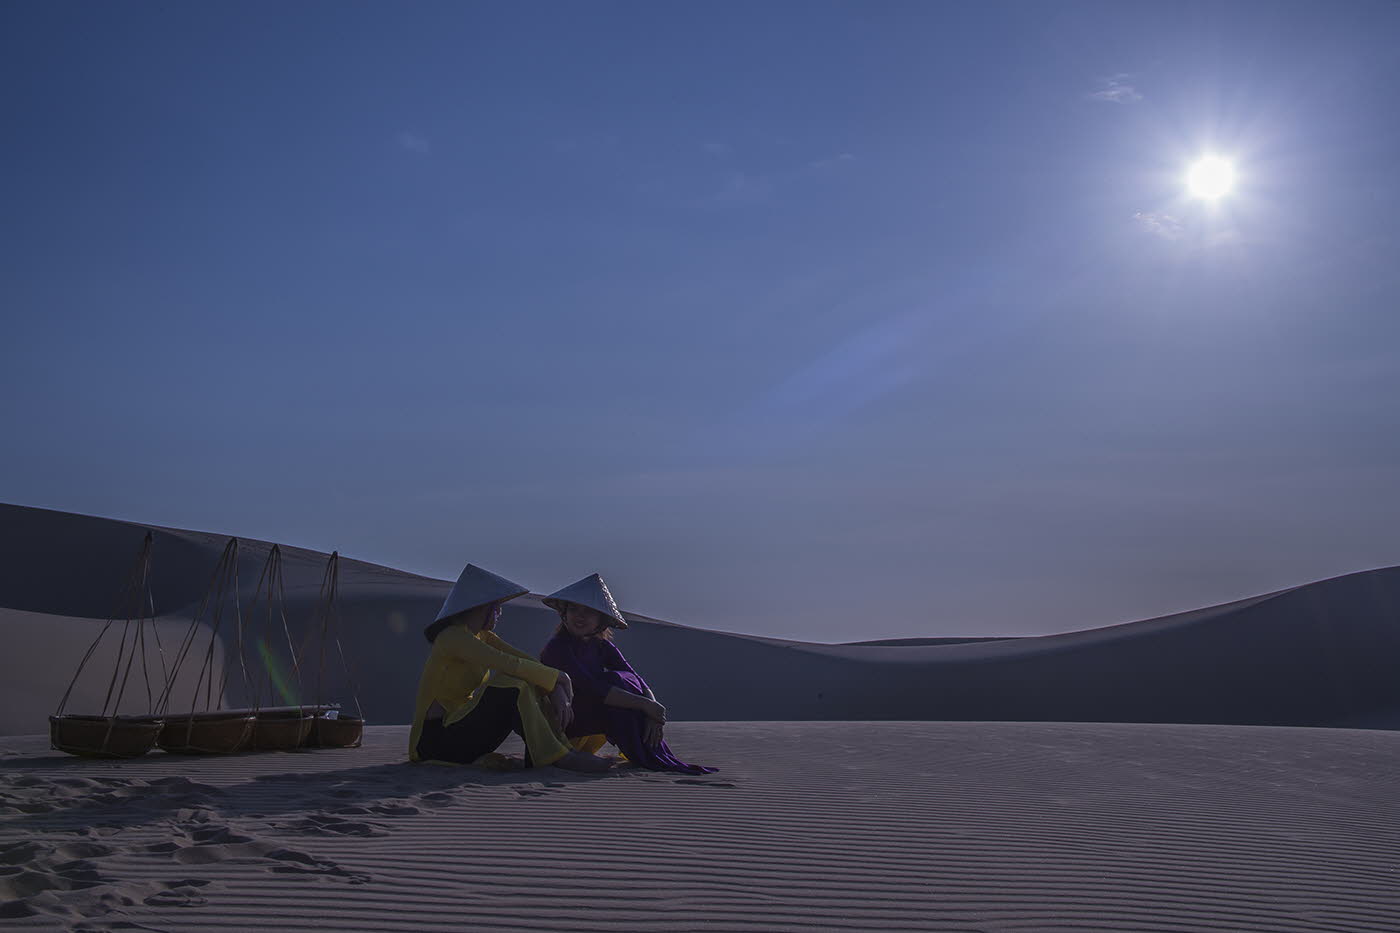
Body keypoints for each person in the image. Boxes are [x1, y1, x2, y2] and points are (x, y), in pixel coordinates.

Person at [409, 563, 610, 772]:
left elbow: (526, 662)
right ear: (481, 607)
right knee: (513, 684)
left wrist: (556, 684)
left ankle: (560, 749)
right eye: (496, 607)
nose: (499, 613)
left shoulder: (484, 637)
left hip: (465, 729)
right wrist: (559, 678)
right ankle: (555, 757)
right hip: (436, 741)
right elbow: (508, 664)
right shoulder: (451, 637)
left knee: (528, 680)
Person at [539, 574, 715, 774]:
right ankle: (646, 756)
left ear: (600, 620)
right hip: (564, 724)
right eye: (574, 609)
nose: (580, 616)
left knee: (624, 680)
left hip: (592, 713)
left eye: (588, 611)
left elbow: (635, 678)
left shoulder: (602, 646)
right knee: (616, 684)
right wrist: (645, 705)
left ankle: (649, 754)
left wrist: (654, 712)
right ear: (564, 614)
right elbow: (592, 688)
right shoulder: (558, 648)